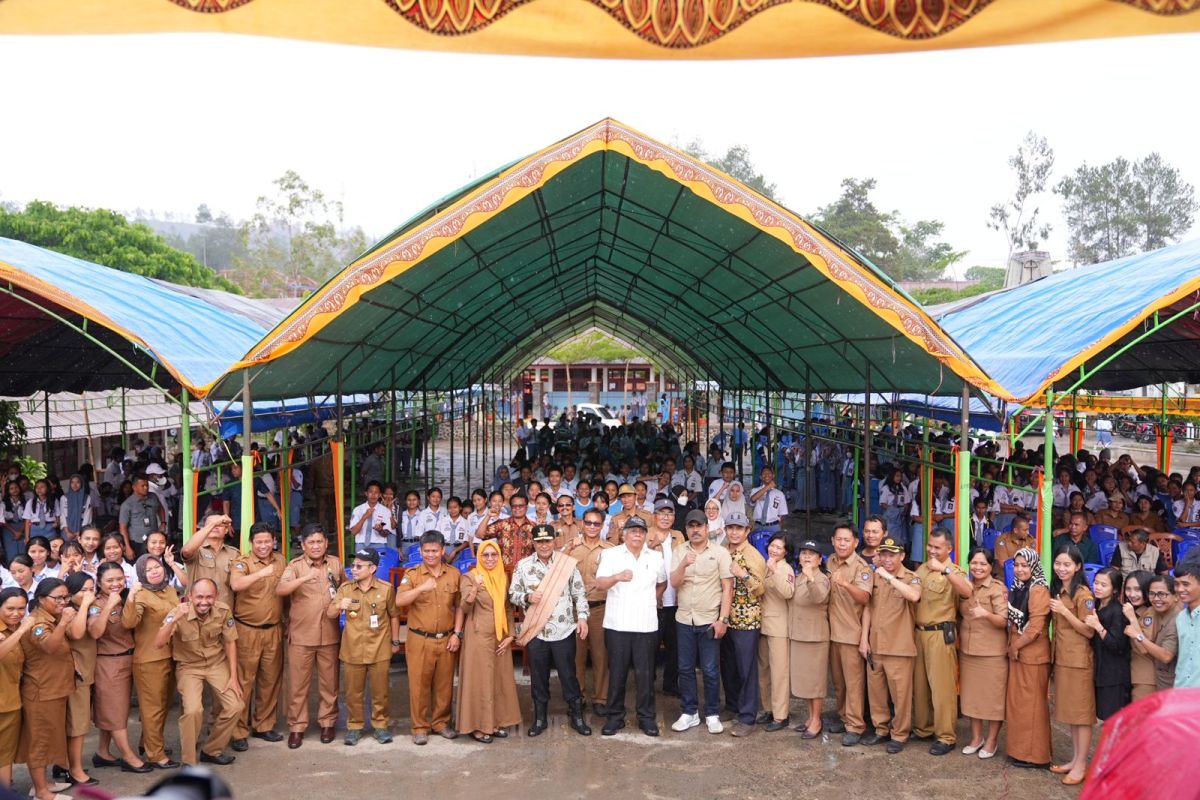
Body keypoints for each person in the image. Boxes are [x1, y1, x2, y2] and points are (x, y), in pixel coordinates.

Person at [510, 524, 591, 736]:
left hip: (563, 630)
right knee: (538, 677)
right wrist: (526, 597)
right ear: (533, 543)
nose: (544, 545)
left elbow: (579, 594)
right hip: (537, 631)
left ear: (554, 541)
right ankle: (539, 719)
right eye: (539, 541)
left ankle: (576, 717)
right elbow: (512, 594)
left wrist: (582, 618)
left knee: (568, 675)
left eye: (547, 541)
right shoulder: (523, 565)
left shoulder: (566, 565)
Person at [154, 577, 244, 766]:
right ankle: (189, 762)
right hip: (189, 667)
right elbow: (159, 643)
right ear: (190, 596)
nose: (204, 602)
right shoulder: (178, 612)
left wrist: (234, 677)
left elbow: (230, 642)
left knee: (235, 705)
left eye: (209, 597)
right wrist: (175, 619)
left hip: (216, 663)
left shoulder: (222, 610)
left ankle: (212, 750)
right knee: (194, 710)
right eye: (199, 597)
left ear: (216, 596)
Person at [596, 516, 667, 737]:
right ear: (624, 534)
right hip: (618, 623)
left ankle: (646, 718)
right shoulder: (611, 554)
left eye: (641, 531)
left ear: (646, 535)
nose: (637, 534)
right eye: (632, 530)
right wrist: (617, 577)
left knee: (645, 675)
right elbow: (600, 583)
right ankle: (614, 717)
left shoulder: (655, 557)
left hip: (645, 624)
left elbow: (662, 583)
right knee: (617, 674)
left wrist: (651, 601)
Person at [275, 523, 343, 748]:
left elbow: (344, 588)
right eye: (311, 542)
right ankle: (297, 726)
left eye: (320, 542)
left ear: (326, 543)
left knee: (329, 682)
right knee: (298, 684)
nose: (316, 546)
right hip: (302, 634)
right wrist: (304, 579)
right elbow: (281, 590)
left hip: (329, 634)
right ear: (303, 545)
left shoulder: (334, 563)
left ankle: (327, 722)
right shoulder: (294, 566)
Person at [669, 508, 733, 735]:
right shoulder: (679, 551)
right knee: (685, 668)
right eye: (691, 526)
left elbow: (727, 588)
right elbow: (674, 583)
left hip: (709, 619)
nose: (695, 530)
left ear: (707, 528)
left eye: (699, 526)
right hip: (685, 618)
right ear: (686, 529)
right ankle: (689, 712)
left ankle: (713, 713)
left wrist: (723, 619)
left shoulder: (720, 552)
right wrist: (683, 564)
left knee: (710, 669)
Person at [328, 548, 399, 745]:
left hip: (379, 649)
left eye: (359, 566)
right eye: (353, 565)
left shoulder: (386, 589)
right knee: (353, 692)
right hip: (352, 649)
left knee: (380, 691)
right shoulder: (345, 589)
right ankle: (355, 726)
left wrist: (395, 642)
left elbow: (394, 616)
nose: (354, 569)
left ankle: (380, 726)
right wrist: (338, 605)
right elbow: (330, 614)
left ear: (373, 568)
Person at [396, 531, 462, 745]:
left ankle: (441, 723)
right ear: (420, 551)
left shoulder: (453, 574)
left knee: (444, 684)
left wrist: (457, 634)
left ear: (443, 551)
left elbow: (460, 606)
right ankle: (420, 727)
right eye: (426, 551)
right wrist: (422, 588)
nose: (431, 555)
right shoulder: (413, 574)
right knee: (419, 685)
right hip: (419, 638)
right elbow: (400, 600)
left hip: (446, 637)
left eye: (435, 550)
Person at [912, 527, 973, 755]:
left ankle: (946, 736)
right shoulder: (922, 568)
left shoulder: (954, 571)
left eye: (937, 547)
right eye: (930, 545)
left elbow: (967, 591)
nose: (932, 550)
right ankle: (924, 728)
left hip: (940, 634)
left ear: (949, 549)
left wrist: (945, 570)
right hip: (919, 632)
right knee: (921, 685)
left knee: (942, 687)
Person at [454, 539, 520, 743]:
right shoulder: (469, 576)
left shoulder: (502, 577)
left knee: (498, 680)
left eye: (494, 555)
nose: (490, 559)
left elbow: (508, 608)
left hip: (500, 637)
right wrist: (475, 587)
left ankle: (495, 722)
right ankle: (477, 726)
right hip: (478, 636)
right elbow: (464, 607)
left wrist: (510, 635)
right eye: (485, 555)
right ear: (479, 557)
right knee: (479, 681)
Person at [229, 523, 287, 751]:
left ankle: (264, 725)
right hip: (247, 630)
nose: (264, 546)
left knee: (270, 680)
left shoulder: (281, 560)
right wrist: (261, 573)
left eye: (268, 541)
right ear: (251, 543)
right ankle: (239, 730)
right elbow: (236, 584)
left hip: (274, 629)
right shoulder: (242, 562)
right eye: (259, 542)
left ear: (274, 541)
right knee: (244, 682)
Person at [862, 537, 921, 754]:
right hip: (876, 643)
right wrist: (863, 639)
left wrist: (889, 577)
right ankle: (880, 730)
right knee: (876, 692)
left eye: (892, 555)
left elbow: (914, 596)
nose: (887, 559)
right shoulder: (875, 577)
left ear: (902, 556)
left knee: (900, 695)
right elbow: (868, 608)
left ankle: (900, 734)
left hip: (899, 646)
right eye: (884, 554)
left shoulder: (911, 577)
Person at [90, 562, 150, 774]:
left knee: (116, 710)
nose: (115, 584)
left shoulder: (127, 598)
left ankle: (103, 752)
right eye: (109, 580)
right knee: (115, 712)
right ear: (99, 582)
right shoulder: (97, 604)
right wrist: (108, 606)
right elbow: (95, 632)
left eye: (119, 579)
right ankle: (128, 757)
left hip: (128, 660)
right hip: (109, 662)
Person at [122, 554, 180, 769]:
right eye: (149, 570)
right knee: (152, 707)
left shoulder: (170, 589)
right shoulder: (141, 594)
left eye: (158, 566)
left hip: (171, 654)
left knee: (163, 705)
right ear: (140, 575)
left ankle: (148, 744)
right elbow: (128, 622)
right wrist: (130, 597)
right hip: (149, 659)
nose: (155, 571)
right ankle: (155, 755)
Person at [20, 579, 75, 800]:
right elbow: (50, 647)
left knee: (50, 738)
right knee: (40, 742)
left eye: (65, 597)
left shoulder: (51, 617)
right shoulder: (37, 623)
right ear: (42, 599)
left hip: (55, 688)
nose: (63, 602)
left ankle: (45, 784)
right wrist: (63, 623)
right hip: (41, 691)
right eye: (58, 598)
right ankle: (41, 792)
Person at [1049, 544, 1095, 786]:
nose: (1061, 568)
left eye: (1067, 564)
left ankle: (1081, 764)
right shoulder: (1059, 591)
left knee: (1082, 716)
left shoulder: (1083, 595)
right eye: (1058, 563)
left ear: (1078, 566)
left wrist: (1065, 613)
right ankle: (1075, 759)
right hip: (1064, 659)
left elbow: (1089, 631)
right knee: (1071, 715)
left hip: (1079, 662)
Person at [825, 522, 873, 745]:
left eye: (847, 540)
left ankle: (855, 725)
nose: (842, 543)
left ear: (855, 543)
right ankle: (844, 717)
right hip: (832, 632)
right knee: (839, 682)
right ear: (833, 541)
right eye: (838, 539)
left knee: (854, 683)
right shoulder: (830, 561)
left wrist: (845, 583)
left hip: (851, 633)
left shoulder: (862, 567)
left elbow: (865, 598)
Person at [720, 510, 766, 737]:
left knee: (746, 669)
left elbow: (761, 588)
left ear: (747, 531)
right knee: (728, 666)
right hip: (724, 618)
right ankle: (732, 706)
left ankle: (748, 717)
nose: (734, 532)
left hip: (746, 620)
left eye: (739, 528)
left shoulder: (753, 555)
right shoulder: (722, 550)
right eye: (730, 528)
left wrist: (743, 575)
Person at [1005, 547, 1052, 769]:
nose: (1020, 569)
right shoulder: (1019, 587)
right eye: (1017, 565)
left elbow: (1035, 628)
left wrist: (1016, 645)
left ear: (1033, 566)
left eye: (1025, 565)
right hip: (1020, 653)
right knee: (1020, 706)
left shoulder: (1038, 589)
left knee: (1033, 707)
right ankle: (1020, 751)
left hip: (1032, 654)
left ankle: (1036, 756)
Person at [958, 548, 1007, 759]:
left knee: (993, 700)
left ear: (990, 567)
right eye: (974, 563)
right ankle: (976, 738)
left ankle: (992, 740)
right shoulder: (965, 587)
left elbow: (1003, 621)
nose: (978, 567)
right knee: (972, 698)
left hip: (992, 653)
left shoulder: (997, 588)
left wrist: (985, 613)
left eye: (983, 564)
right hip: (969, 651)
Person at [567, 507, 615, 716]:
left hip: (599, 608)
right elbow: (557, 566)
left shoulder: (611, 550)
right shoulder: (573, 547)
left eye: (597, 523)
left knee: (600, 655)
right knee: (575, 657)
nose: (592, 527)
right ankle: (578, 697)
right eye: (588, 523)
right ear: (582, 524)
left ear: (603, 525)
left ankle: (600, 698)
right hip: (575, 609)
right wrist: (568, 546)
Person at [788, 539, 830, 738]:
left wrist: (811, 578)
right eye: (803, 553)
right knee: (805, 681)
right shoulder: (799, 577)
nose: (806, 557)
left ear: (819, 559)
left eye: (811, 554)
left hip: (815, 637)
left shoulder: (821, 578)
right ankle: (810, 716)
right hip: (799, 634)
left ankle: (816, 719)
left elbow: (819, 597)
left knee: (816, 683)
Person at [752, 533, 795, 732]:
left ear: (786, 552)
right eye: (772, 546)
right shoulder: (766, 565)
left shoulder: (784, 568)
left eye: (779, 548)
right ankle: (768, 708)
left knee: (779, 673)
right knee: (764, 671)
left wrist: (775, 571)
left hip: (779, 627)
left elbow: (788, 592)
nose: (774, 550)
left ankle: (781, 715)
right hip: (763, 625)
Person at [62, 571, 101, 787]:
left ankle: (65, 764)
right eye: (83, 590)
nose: (88, 593)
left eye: (91, 588)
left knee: (77, 723)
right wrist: (86, 605)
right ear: (70, 593)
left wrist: (89, 607)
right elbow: (77, 634)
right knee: (78, 724)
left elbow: (95, 632)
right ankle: (74, 770)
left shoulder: (86, 608)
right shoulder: (68, 611)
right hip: (75, 675)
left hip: (85, 672)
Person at [1085, 566, 1131, 722]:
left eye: (1103, 585)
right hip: (1100, 671)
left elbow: (1118, 646)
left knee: (1112, 722)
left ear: (1115, 590)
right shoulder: (1095, 606)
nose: (1097, 587)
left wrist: (1098, 627)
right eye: (1096, 583)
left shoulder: (1117, 611)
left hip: (1113, 676)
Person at [0, 588, 34, 792]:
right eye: (10, 608)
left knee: (5, 751)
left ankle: (7, 788)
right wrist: (21, 630)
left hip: (11, 699)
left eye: (22, 608)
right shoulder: (16, 629)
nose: (17, 613)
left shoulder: (16, 627)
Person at [181, 513, 239, 608]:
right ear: (204, 529)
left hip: (224, 611)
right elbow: (186, 551)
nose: (215, 526)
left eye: (220, 525)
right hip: (197, 611)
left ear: (226, 530)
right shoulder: (197, 550)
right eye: (211, 524)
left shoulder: (234, 553)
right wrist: (215, 523)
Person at [117, 475, 163, 560]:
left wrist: (163, 523)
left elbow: (160, 508)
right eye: (142, 486)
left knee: (154, 562)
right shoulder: (127, 504)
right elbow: (123, 528)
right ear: (134, 487)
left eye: (147, 485)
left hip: (153, 540)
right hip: (137, 542)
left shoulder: (153, 497)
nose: (146, 488)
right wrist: (127, 547)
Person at [1170, 561, 1200, 688]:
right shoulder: (1181, 618)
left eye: (1185, 584)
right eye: (1176, 584)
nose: (1180, 589)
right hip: (1182, 691)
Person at [348, 481, 392, 549]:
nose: (373, 495)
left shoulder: (385, 511)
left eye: (376, 492)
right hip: (361, 545)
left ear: (380, 495)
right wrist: (364, 518)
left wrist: (380, 530)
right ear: (366, 493)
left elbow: (386, 533)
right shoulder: (357, 510)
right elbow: (353, 532)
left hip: (379, 545)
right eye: (371, 492)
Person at [749, 466, 787, 536]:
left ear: (773, 476)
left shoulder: (779, 494)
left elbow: (782, 514)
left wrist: (779, 529)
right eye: (764, 473)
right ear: (760, 477)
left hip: (774, 526)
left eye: (769, 473)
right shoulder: (755, 490)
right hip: (758, 525)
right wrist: (768, 486)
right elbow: (753, 499)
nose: (766, 475)